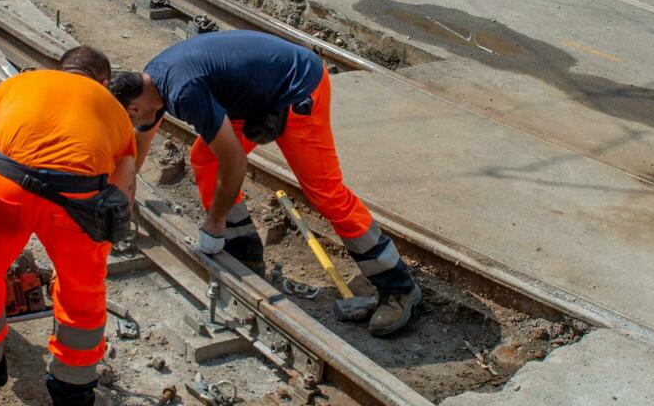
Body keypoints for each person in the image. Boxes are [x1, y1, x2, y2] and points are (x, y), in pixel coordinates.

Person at [109, 31, 420, 337]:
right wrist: (126, 191)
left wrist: (214, 220)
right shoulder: (150, 81)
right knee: (206, 158)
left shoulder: (183, 92)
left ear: (134, 108)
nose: (133, 123)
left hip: (298, 88)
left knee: (325, 193)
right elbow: (142, 138)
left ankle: (398, 286)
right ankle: (243, 250)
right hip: (257, 94)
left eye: (128, 118)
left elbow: (235, 161)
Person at [0, 46, 136, 406]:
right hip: (79, 200)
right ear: (104, 82)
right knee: (82, 299)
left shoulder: (16, 85)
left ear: (60, 70)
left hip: (2, 186)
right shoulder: (114, 109)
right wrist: (95, 244)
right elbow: (123, 193)